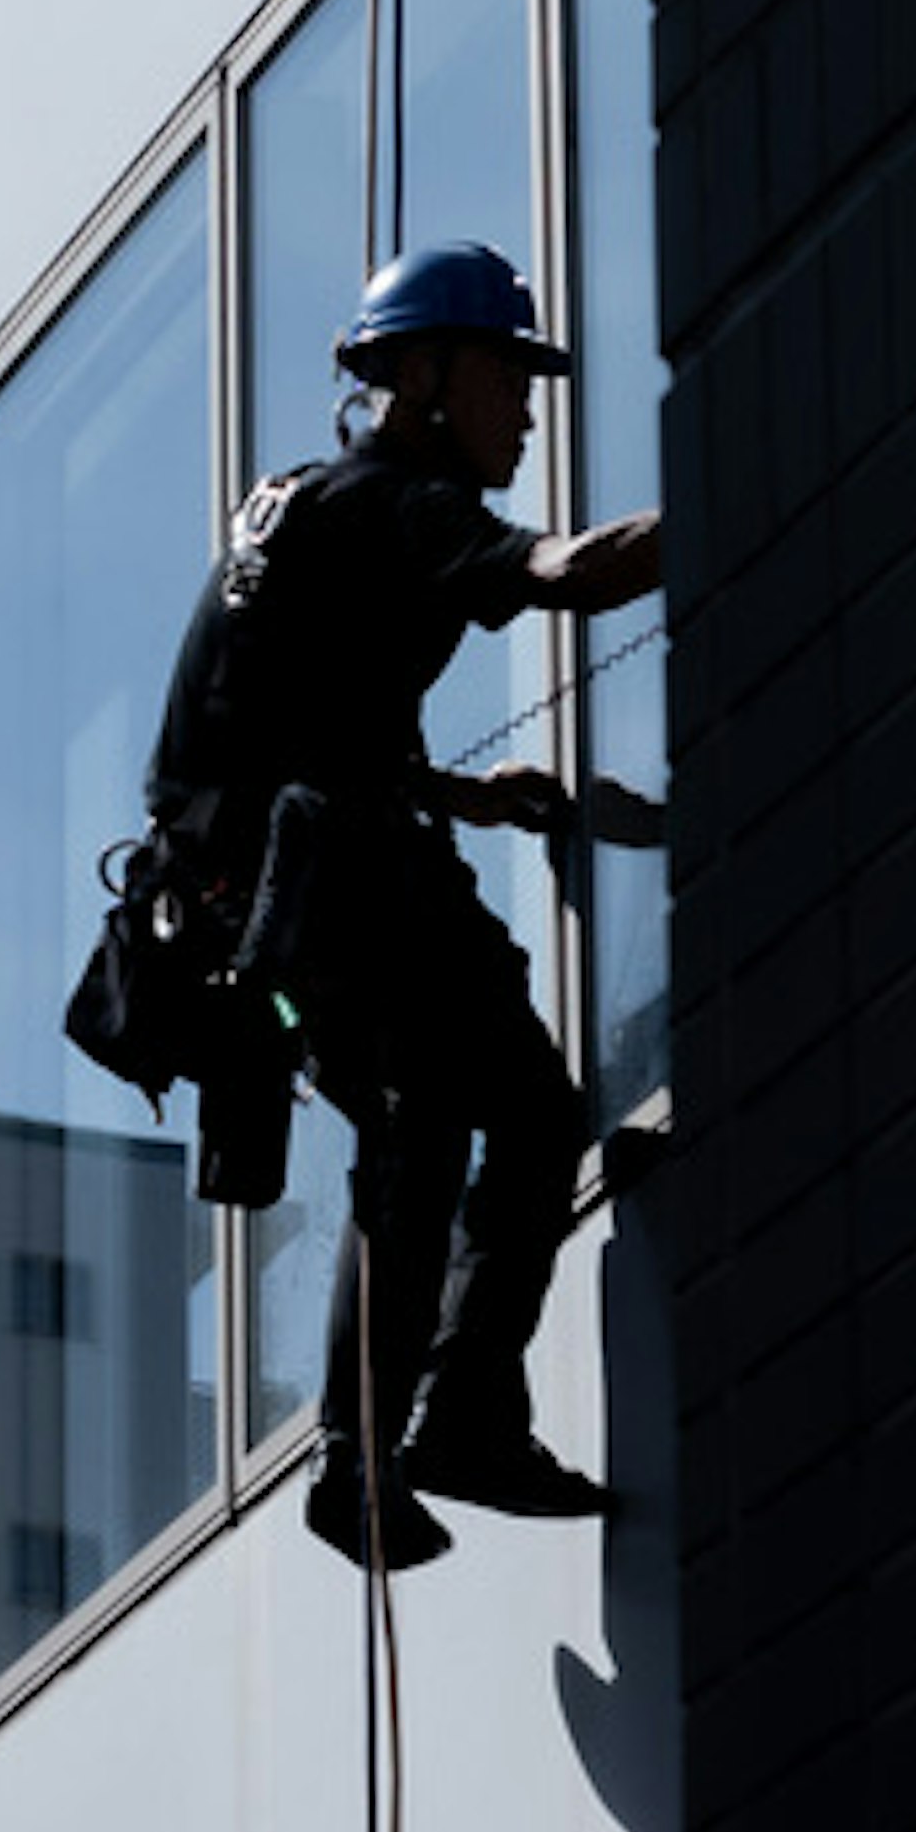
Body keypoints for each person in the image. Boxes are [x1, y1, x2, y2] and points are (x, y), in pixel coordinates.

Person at [146, 238, 665, 1573]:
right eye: (512, 377)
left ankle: (362, 1458)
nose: (531, 410)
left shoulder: (301, 510)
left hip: (244, 907)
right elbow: (564, 573)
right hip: (330, 887)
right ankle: (462, 1414)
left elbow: (279, 727)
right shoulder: (402, 504)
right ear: (426, 378)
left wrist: (461, 795)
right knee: (532, 1110)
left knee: (416, 1130)